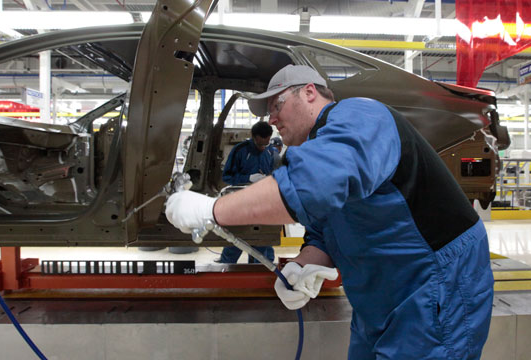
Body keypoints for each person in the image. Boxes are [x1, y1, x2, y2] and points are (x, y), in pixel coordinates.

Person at [166, 64, 494, 359]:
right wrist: (305, 265)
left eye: (277, 106)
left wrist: (212, 209)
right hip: (380, 296)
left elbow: (312, 185)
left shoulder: (361, 115)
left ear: (310, 92)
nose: (272, 120)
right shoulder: (320, 147)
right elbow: (324, 227)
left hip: (434, 285)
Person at [219, 121, 275, 264]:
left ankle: (260, 269)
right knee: (236, 240)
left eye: (267, 144)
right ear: (255, 137)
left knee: (262, 242)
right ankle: (226, 266)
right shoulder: (240, 151)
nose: (264, 147)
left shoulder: (270, 152)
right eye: (261, 144)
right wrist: (248, 178)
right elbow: (227, 177)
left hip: (262, 204)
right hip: (240, 203)